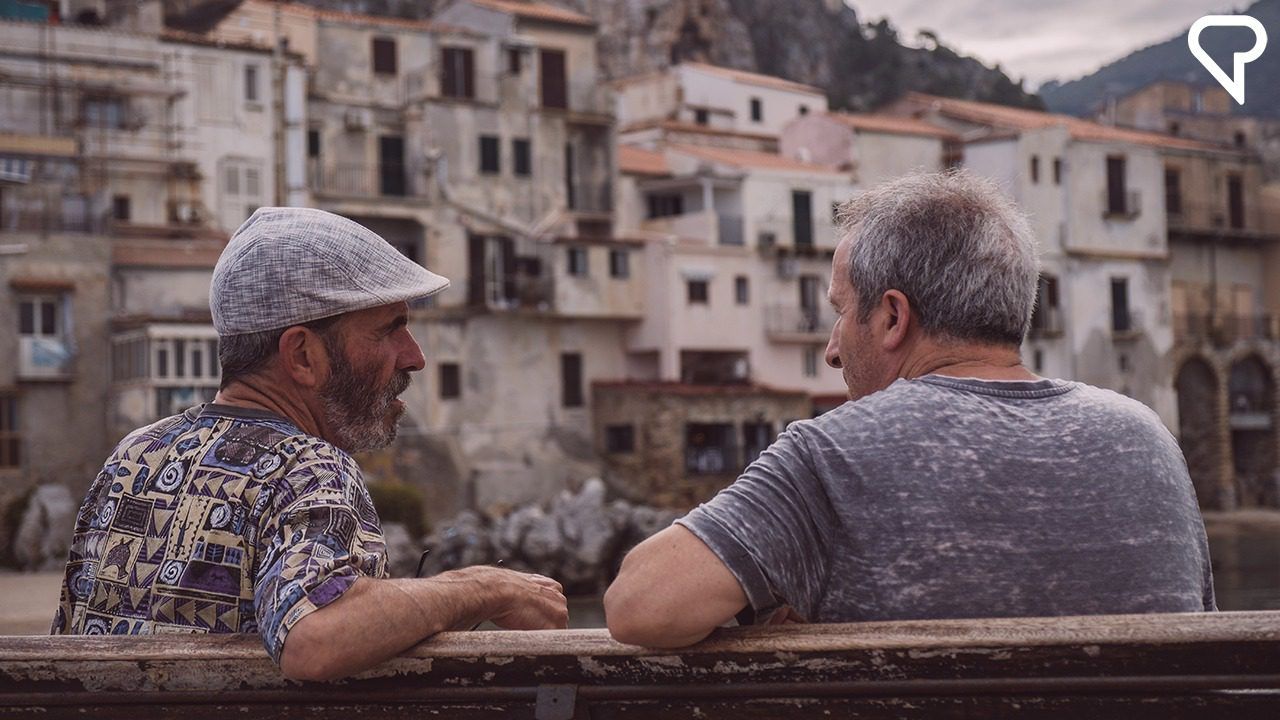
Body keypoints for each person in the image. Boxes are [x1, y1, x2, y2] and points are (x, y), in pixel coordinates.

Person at [604, 171, 1216, 648]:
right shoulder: (1147, 437)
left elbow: (638, 604)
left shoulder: (834, 453)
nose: (831, 350)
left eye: (842, 312)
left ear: (894, 317)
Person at [52, 208, 568, 680]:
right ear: (301, 355)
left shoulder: (135, 454)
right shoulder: (305, 466)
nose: (414, 357)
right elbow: (314, 639)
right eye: (389, 331)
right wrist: (483, 587)